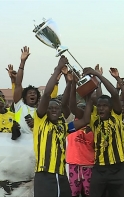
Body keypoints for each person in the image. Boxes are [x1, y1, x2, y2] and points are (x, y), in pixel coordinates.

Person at [33, 56, 93, 197]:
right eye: (51, 108)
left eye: (57, 108)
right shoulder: (41, 120)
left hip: (61, 174)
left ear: (60, 112)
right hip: (45, 174)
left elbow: (85, 120)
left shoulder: (64, 127)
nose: (54, 109)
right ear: (45, 110)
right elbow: (47, 94)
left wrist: (89, 97)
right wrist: (58, 68)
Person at [83, 67, 124, 197]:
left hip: (118, 168)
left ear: (110, 108)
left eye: (104, 106)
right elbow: (89, 100)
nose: (101, 108)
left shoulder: (117, 116)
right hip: (100, 169)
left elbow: (114, 94)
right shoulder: (94, 120)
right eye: (99, 106)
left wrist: (97, 74)